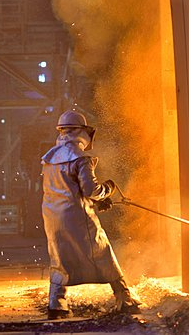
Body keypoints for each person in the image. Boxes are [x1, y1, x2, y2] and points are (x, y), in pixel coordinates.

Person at [41, 110, 140, 319]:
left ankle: (56, 303)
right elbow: (90, 190)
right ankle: (125, 297)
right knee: (103, 251)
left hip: (53, 216)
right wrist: (108, 190)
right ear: (81, 132)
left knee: (60, 257)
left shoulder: (50, 158)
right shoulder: (80, 158)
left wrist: (97, 200)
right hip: (77, 217)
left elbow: (68, 188)